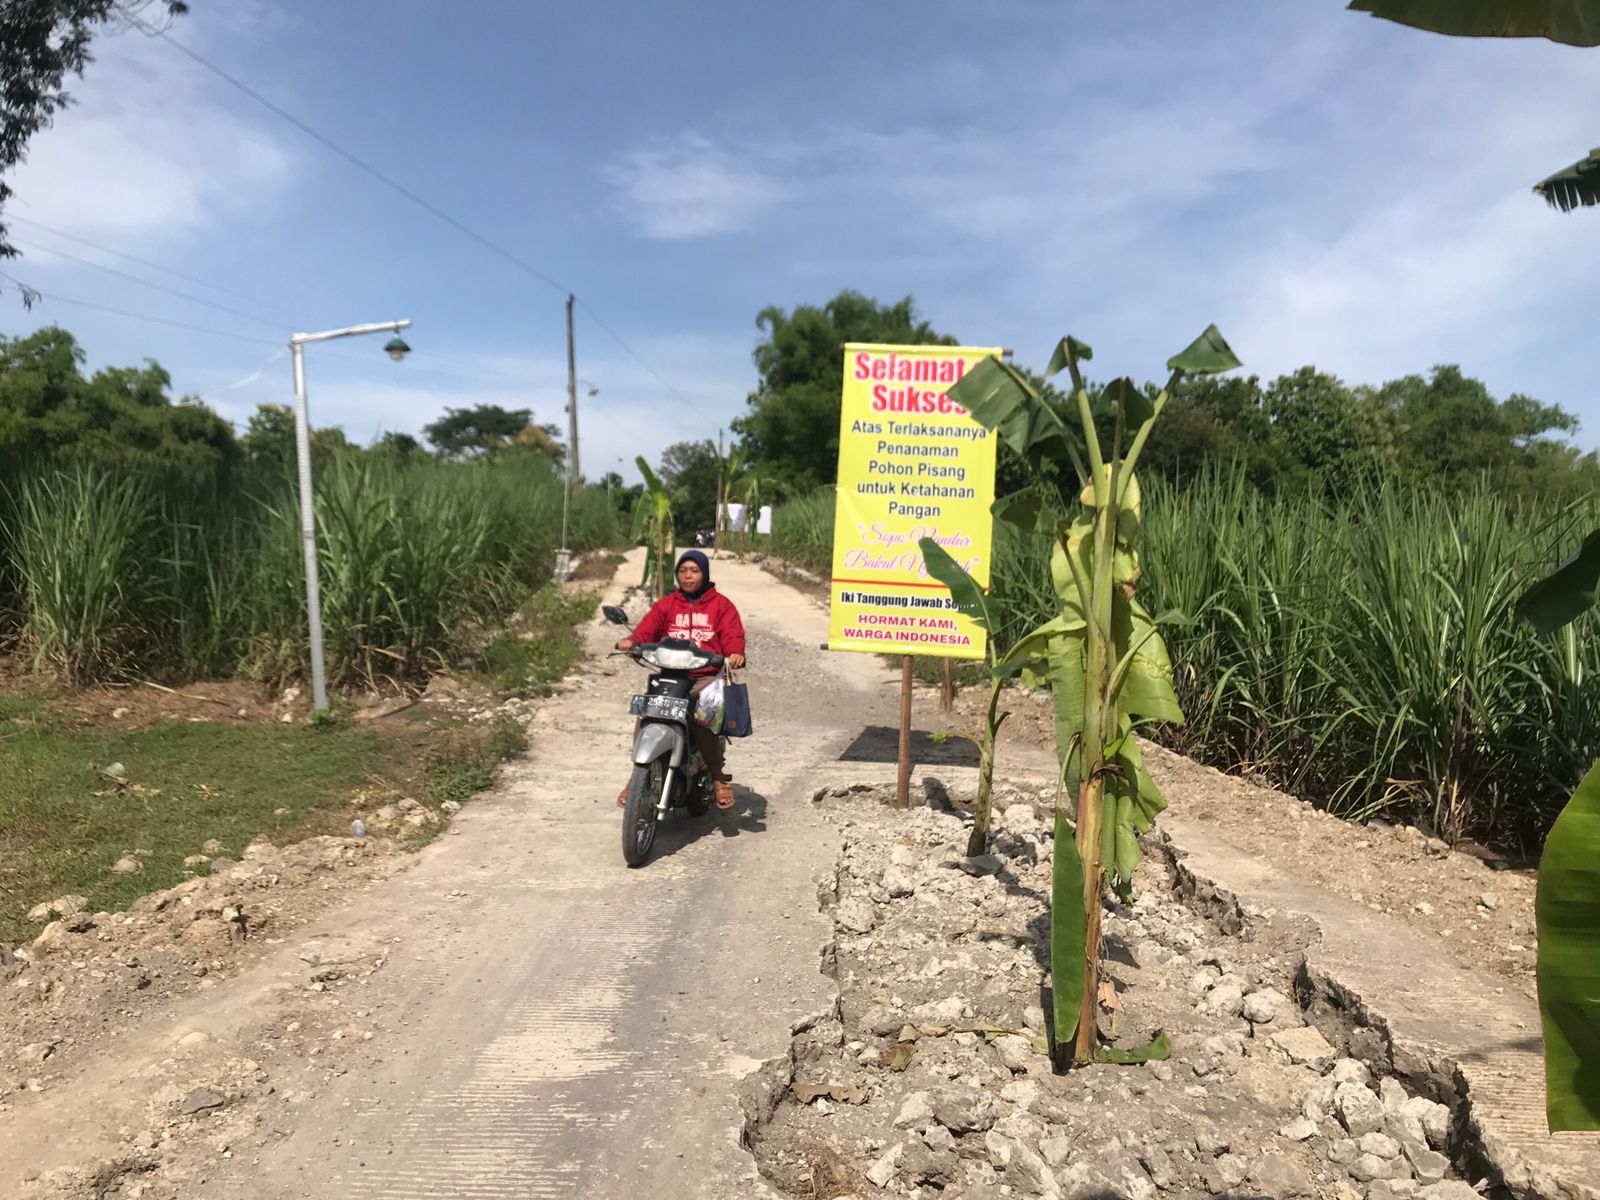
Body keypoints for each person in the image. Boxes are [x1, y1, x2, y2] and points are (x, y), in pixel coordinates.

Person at [615, 550, 746, 809]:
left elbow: (732, 634)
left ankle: (718, 777)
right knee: (647, 712)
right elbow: (646, 630)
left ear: (704, 574)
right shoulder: (667, 604)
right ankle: (637, 777)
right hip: (670, 674)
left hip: (704, 676)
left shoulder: (721, 605)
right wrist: (633, 642)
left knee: (700, 714)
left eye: (694, 570)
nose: (688, 575)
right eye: (683, 570)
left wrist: (734, 653)